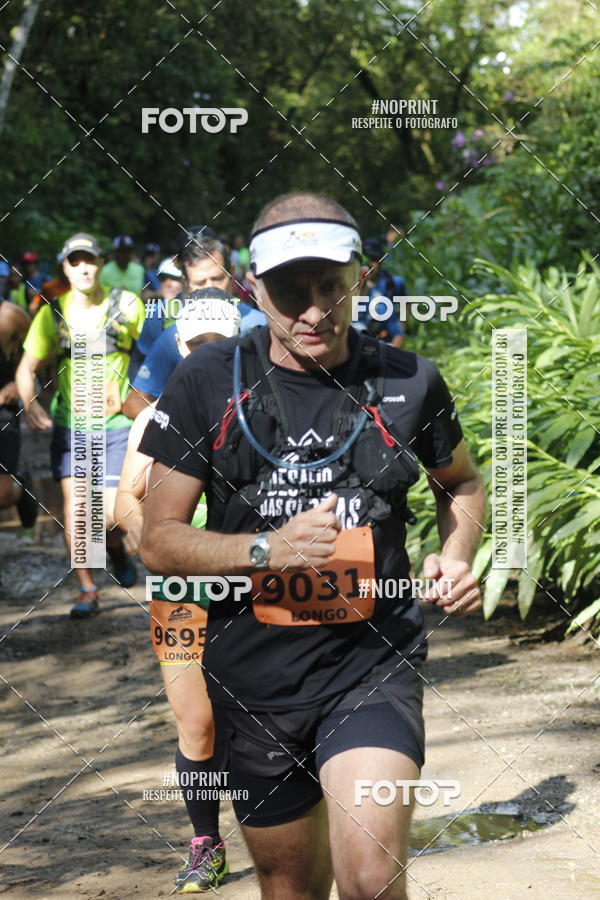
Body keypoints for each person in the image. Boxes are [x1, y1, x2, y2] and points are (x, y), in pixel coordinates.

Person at [138, 192, 485, 899]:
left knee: (369, 875)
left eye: (331, 286)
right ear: (252, 289)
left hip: (370, 666)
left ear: (360, 275)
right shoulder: (207, 382)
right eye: (291, 292)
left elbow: (464, 483)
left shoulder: (409, 381)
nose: (315, 311)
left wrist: (457, 555)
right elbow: (159, 541)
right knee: (290, 887)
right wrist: (268, 552)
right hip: (253, 679)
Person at [114, 290, 241, 892]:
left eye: (220, 347)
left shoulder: (262, 409)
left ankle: (296, 835)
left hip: (252, 583)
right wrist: (151, 540)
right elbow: (123, 505)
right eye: (196, 347)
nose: (205, 358)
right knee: (197, 723)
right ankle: (205, 846)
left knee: (270, 716)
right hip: (180, 591)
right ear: (181, 348)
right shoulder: (153, 417)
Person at [16, 232, 145, 617]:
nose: (84, 267)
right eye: (75, 261)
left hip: (116, 425)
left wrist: (136, 397)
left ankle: (117, 551)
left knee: (106, 515)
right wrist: (29, 401)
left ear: (101, 263)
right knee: (76, 510)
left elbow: (156, 354)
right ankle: (87, 589)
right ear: (65, 268)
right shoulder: (51, 313)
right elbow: (27, 368)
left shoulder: (128, 306)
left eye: (90, 259)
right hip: (71, 426)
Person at [122, 227, 232, 420]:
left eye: (216, 278)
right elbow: (141, 371)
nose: (209, 287)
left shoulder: (254, 321)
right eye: (191, 255)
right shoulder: (160, 315)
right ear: (179, 265)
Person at [124, 288, 239, 417]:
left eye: (221, 342)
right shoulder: (167, 342)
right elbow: (134, 403)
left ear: (239, 338)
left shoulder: (256, 347)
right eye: (197, 343)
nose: (209, 352)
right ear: (178, 343)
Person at [0, 301, 38, 555]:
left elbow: (40, 351)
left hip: (2, 408)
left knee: (1, 496)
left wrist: (17, 382)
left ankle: (19, 487)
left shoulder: (9, 315)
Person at [354, 237, 406, 348]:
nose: (370, 264)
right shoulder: (344, 292)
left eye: (374, 259)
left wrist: (402, 326)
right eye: (366, 259)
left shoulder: (391, 285)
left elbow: (398, 335)